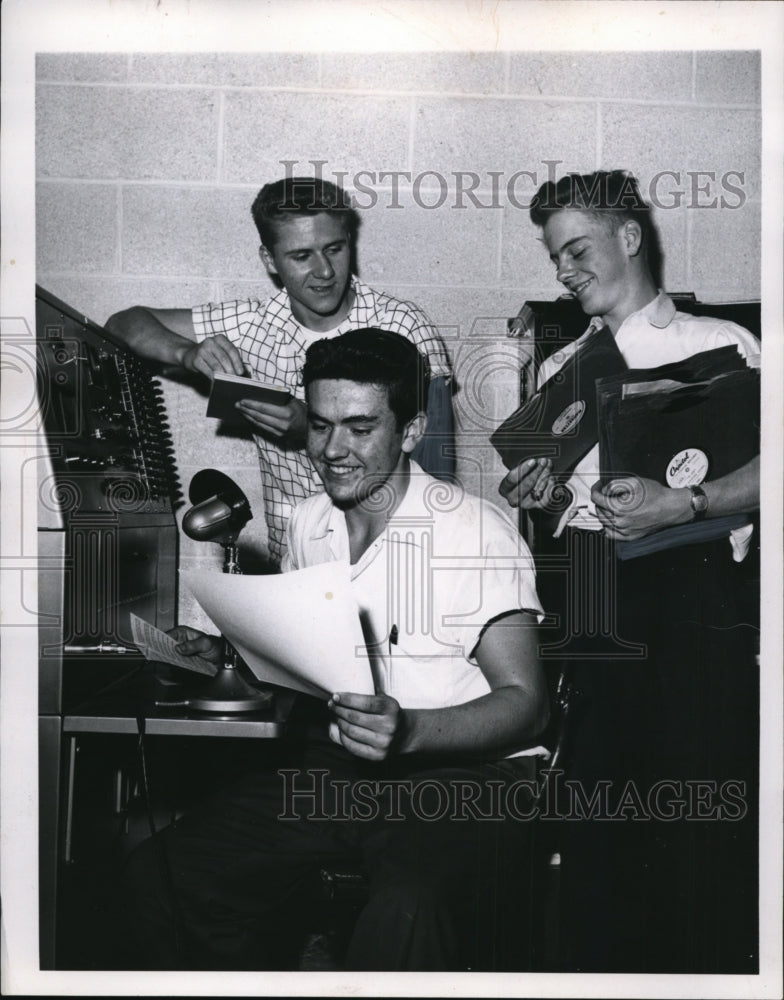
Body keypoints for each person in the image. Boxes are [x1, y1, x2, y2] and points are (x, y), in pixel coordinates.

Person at [122, 329, 549, 971]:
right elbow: (307, 665)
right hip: (340, 774)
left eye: (359, 428)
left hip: (470, 778)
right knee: (165, 875)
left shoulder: (474, 532)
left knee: (408, 908)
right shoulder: (311, 523)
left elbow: (527, 706)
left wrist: (408, 732)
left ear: (410, 430)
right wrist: (224, 654)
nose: (332, 450)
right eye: (320, 425)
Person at [498, 170, 760, 973]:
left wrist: (682, 503)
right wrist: (535, 495)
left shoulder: (721, 346)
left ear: (631, 237)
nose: (565, 270)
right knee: (594, 831)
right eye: (555, 258)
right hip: (584, 592)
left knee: (698, 833)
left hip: (688, 598)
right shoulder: (562, 372)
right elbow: (541, 503)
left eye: (577, 249)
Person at [105, 177, 455, 562]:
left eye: (334, 249)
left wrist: (309, 429)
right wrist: (188, 354)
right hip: (295, 555)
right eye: (302, 256)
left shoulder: (403, 325)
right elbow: (123, 323)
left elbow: (438, 467)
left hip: (389, 551)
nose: (324, 271)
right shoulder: (252, 322)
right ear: (270, 260)